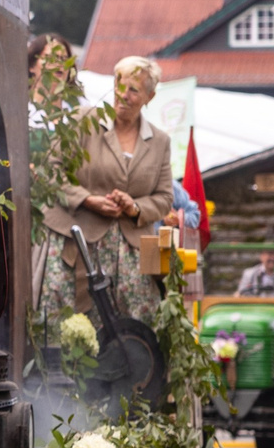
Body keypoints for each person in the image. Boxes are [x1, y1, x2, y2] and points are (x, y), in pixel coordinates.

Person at [37, 54, 178, 330]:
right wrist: (87, 199)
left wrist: (134, 207)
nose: (123, 95)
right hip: (78, 243)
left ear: (150, 96)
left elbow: (164, 198)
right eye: (119, 85)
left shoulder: (160, 141)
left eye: (134, 90)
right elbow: (49, 171)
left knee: (139, 330)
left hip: (133, 252)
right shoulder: (82, 120)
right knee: (73, 329)